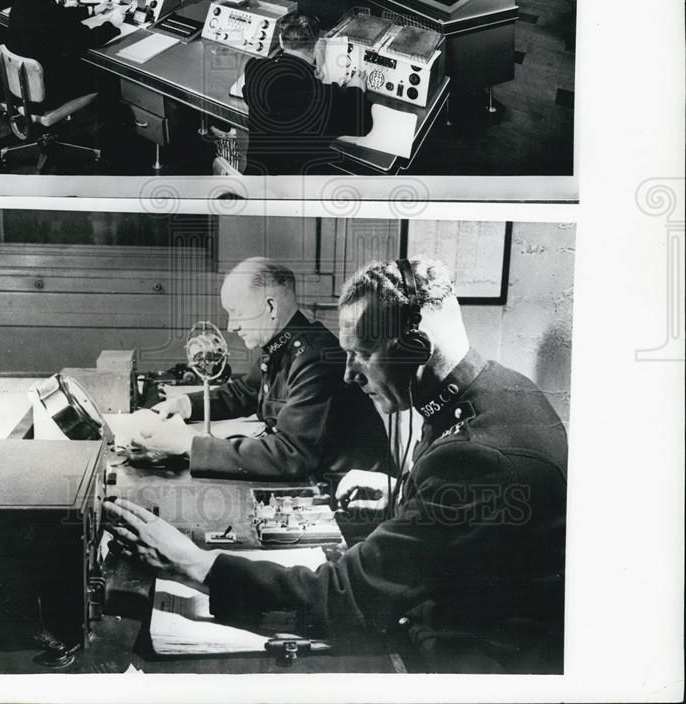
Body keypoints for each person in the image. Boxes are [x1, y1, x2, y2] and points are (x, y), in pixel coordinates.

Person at [105, 255, 568, 674]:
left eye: (362, 354)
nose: (348, 374)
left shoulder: (474, 460)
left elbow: (346, 599)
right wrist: (404, 493)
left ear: (417, 349)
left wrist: (194, 564)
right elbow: (479, 527)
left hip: (482, 663)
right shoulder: (500, 390)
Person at [132, 257, 387, 481]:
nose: (231, 326)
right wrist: (184, 404)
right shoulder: (286, 343)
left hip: (345, 502)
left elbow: (290, 454)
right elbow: (247, 391)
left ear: (271, 307)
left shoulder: (314, 358)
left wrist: (188, 445)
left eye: (236, 313)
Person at [240, 14, 373, 175]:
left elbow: (256, 93)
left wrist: (309, 75)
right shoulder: (321, 95)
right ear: (317, 45)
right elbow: (361, 126)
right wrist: (357, 88)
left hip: (254, 182)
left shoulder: (255, 68)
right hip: (292, 193)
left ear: (282, 41)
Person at [6, 0, 124, 107]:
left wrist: (93, 10)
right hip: (47, 91)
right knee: (109, 76)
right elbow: (86, 39)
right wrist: (113, 25)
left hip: (22, 86)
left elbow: (59, 16)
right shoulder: (49, 9)